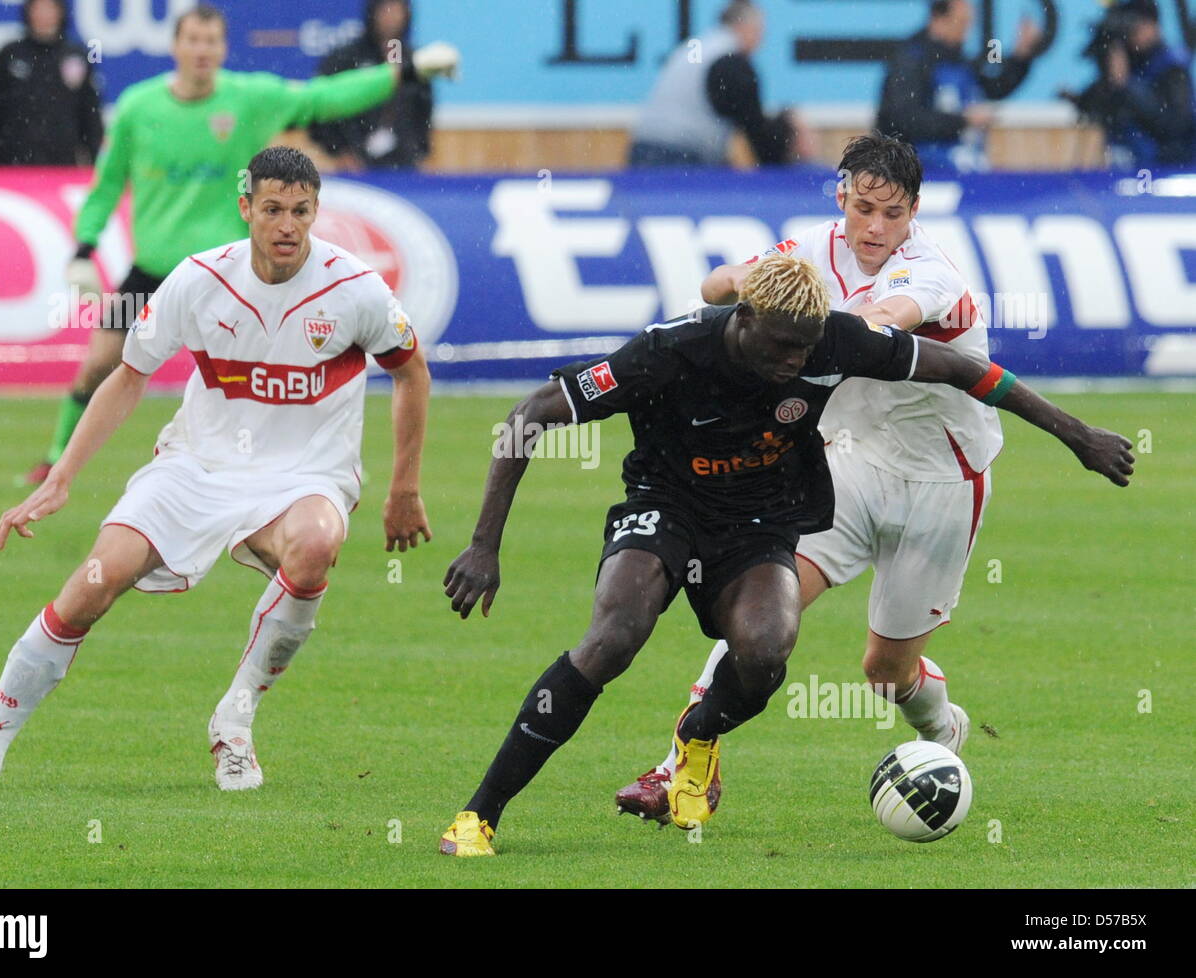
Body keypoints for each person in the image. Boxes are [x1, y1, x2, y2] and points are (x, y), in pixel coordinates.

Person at [437, 252, 1133, 856]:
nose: (795, 363)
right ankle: (479, 813)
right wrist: (483, 545)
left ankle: (700, 736)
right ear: (741, 319)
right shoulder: (669, 349)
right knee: (613, 637)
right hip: (666, 504)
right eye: (780, 348)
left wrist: (1077, 436)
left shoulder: (835, 339)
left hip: (761, 519)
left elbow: (961, 368)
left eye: (804, 350)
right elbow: (532, 413)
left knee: (767, 651)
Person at [0, 146, 434, 793]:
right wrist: (63, 474)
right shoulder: (197, 280)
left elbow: (411, 373)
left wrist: (404, 488)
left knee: (317, 543)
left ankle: (235, 721)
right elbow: (128, 378)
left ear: (315, 212)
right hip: (196, 465)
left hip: (306, 474)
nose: (287, 225)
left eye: (301, 211)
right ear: (246, 209)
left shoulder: (355, 288)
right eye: (272, 209)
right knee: (91, 585)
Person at [613, 132, 1051, 822]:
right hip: (847, 465)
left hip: (943, 481)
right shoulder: (809, 250)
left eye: (894, 213)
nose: (876, 227)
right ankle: (680, 770)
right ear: (842, 194)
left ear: (914, 213)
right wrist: (735, 283)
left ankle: (942, 732)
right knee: (757, 605)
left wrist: (789, 318)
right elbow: (715, 285)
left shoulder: (930, 271)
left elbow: (881, 321)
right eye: (865, 207)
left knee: (885, 673)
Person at [21, 2, 458, 485]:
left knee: (251, 379)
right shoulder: (138, 109)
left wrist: (407, 70)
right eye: (193, 40)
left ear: (223, 48)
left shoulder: (251, 98)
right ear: (176, 46)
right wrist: (84, 247)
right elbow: (106, 186)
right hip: (153, 270)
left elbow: (326, 97)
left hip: (230, 276)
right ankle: (55, 459)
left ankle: (285, 472)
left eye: (211, 41)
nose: (202, 50)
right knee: (100, 365)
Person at [628, 0, 812, 167]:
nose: (761, 42)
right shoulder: (731, 62)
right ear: (745, 26)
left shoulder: (698, 48)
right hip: (680, 156)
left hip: (645, 150)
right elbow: (755, 129)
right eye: (760, 31)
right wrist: (789, 139)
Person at [876, 0, 1043, 172]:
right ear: (939, 20)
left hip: (960, 166)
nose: (967, 31)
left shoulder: (958, 59)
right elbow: (905, 118)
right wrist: (962, 120)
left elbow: (993, 87)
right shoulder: (912, 59)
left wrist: (1021, 56)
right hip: (919, 172)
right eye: (962, 22)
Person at [1062, 0, 1196, 169]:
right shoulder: (1129, 63)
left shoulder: (1172, 67)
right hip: (1128, 169)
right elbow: (1097, 108)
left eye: (1137, 24)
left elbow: (1175, 125)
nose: (1133, 33)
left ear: (1154, 25)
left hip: (1170, 168)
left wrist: (1126, 85)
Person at [309, 0, 433, 171]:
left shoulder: (413, 61)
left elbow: (423, 111)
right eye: (386, 9)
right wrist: (339, 151)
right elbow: (319, 108)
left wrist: (417, 152)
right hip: (355, 169)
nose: (391, 17)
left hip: (403, 169)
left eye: (397, 10)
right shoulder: (345, 58)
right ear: (373, 12)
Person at [0, 0, 103, 166]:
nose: (44, 14)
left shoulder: (76, 56)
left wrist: (96, 161)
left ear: (61, 12)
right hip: (12, 164)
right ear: (28, 11)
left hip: (61, 164)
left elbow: (90, 115)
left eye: (50, 7)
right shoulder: (10, 55)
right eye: (38, 8)